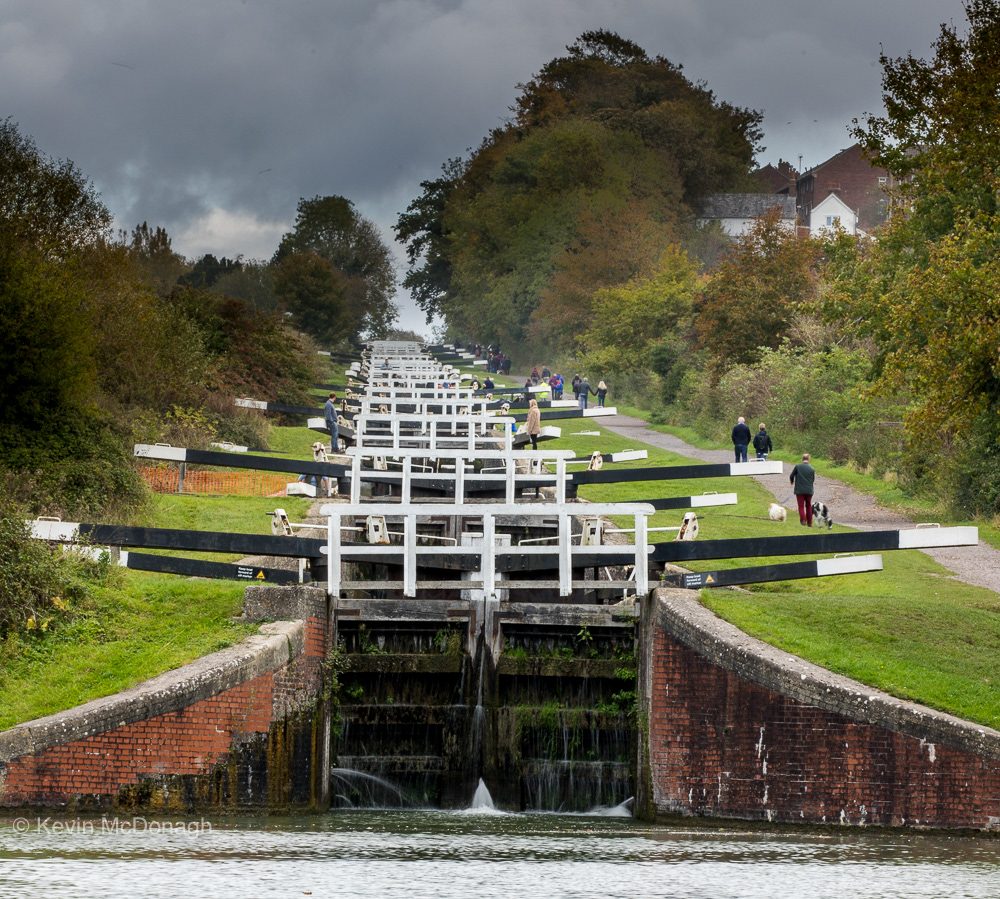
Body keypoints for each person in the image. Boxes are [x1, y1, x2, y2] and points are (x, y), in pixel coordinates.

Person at [790, 452, 816, 526]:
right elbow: (813, 480)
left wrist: (792, 482)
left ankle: (803, 520)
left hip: (799, 490)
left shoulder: (798, 466)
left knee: (801, 506)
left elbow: (791, 476)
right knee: (808, 506)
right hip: (809, 490)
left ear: (802, 459)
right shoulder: (812, 468)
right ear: (809, 460)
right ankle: (810, 523)